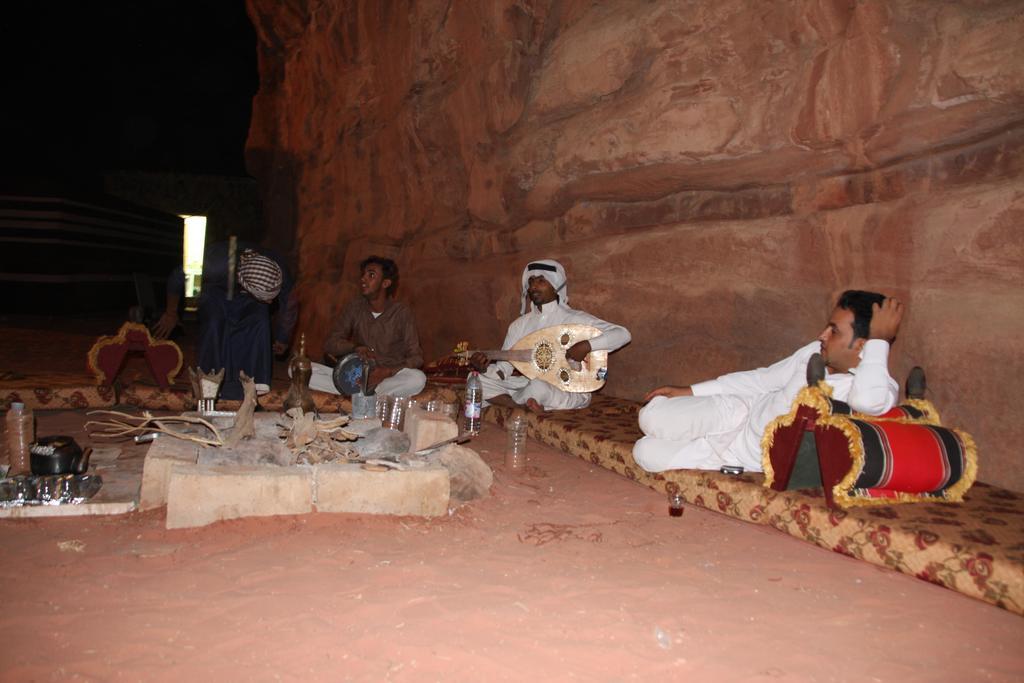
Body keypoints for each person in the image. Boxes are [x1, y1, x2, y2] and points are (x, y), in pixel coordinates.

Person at [633, 290, 904, 473]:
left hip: (738, 458)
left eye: (833, 331)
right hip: (735, 414)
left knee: (644, 452)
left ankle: (691, 439)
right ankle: (686, 423)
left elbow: (867, 401)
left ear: (862, 345)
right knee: (651, 415)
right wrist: (690, 391)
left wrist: (880, 341)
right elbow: (763, 380)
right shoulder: (813, 352)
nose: (822, 335)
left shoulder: (877, 387)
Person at [469, 259, 631, 413]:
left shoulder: (575, 319)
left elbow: (623, 334)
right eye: (531, 281)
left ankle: (517, 403)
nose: (533, 286)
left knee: (539, 388)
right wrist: (483, 369)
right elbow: (503, 371)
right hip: (528, 383)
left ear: (556, 285)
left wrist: (586, 346)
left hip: (568, 388)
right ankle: (521, 406)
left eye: (541, 281)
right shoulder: (519, 325)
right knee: (474, 378)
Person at [153, 240, 296, 401]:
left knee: (260, 319)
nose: (271, 303)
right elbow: (176, 277)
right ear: (245, 283)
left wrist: (284, 337)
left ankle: (254, 383)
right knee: (215, 322)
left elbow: (288, 303)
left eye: (271, 298)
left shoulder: (277, 269)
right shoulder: (213, 264)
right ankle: (210, 383)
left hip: (248, 295)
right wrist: (171, 313)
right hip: (215, 289)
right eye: (267, 299)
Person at [309, 256, 426, 398]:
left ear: (385, 283)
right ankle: (365, 395)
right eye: (363, 274)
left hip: (387, 379)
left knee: (418, 379)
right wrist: (355, 347)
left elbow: (416, 357)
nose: (363, 279)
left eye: (371, 275)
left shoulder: (401, 313)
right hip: (356, 377)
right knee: (300, 369)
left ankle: (365, 395)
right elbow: (330, 344)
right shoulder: (354, 307)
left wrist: (388, 371)